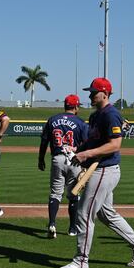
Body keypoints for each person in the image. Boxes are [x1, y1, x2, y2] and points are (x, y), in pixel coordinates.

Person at [59, 77, 134, 268]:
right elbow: (91, 143)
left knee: (84, 214)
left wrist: (85, 154)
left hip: (104, 170)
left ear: (105, 94)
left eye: (93, 92)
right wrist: (77, 150)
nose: (90, 95)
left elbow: (115, 145)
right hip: (96, 168)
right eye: (90, 92)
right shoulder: (95, 117)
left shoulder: (111, 115)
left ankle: (81, 261)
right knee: (106, 214)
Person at [38, 94, 89, 238]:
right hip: (74, 160)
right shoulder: (80, 122)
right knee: (73, 195)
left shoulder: (52, 120)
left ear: (65, 105)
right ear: (76, 106)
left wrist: (41, 159)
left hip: (57, 159)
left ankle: (52, 224)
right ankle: (72, 228)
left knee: (55, 193)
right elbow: (86, 144)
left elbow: (44, 142)